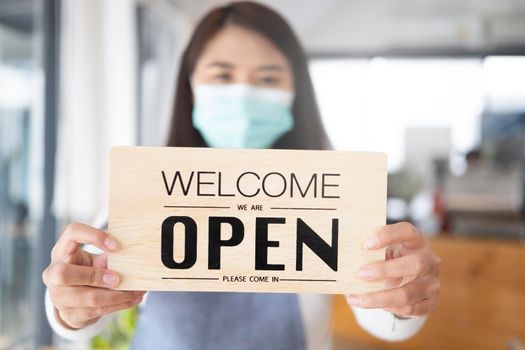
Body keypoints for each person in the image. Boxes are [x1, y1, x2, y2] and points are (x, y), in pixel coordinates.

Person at [43, 2, 441, 349]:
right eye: (222, 75)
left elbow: (383, 314)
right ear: (190, 86)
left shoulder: (333, 191)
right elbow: (87, 304)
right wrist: (72, 304)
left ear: (294, 90)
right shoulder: (145, 187)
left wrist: (402, 295)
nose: (243, 94)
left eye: (268, 78)